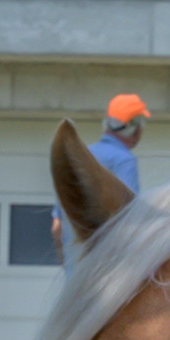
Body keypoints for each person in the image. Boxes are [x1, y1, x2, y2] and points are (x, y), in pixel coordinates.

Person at [53, 93, 151, 261]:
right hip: (107, 272)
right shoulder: (124, 160)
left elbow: (57, 227)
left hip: (75, 276)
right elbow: (128, 219)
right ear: (133, 127)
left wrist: (67, 264)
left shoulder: (82, 156)